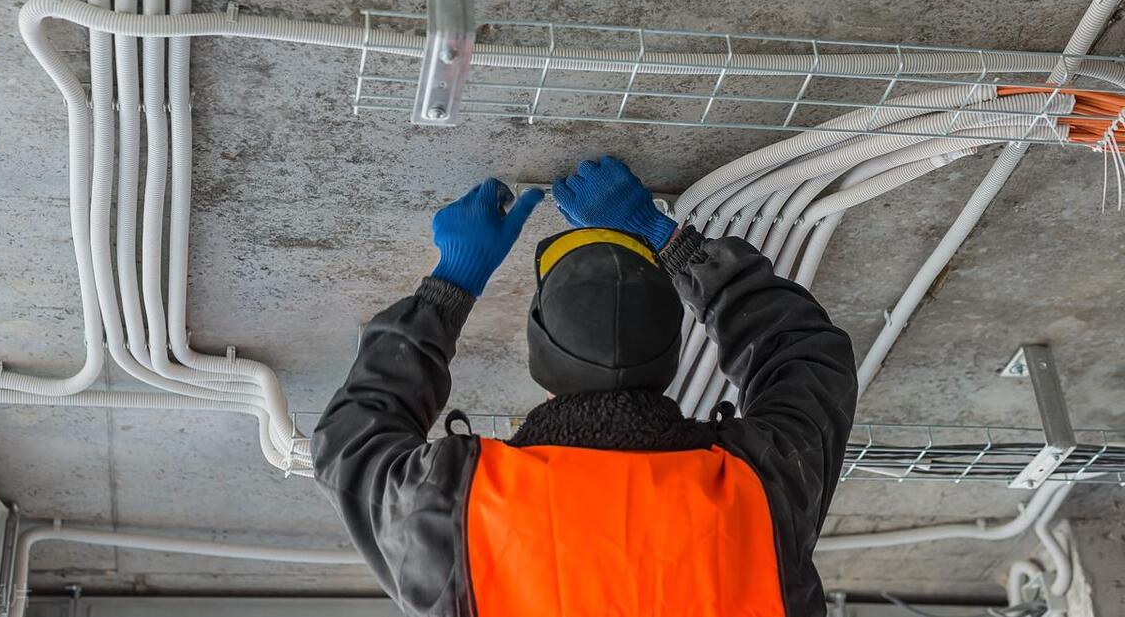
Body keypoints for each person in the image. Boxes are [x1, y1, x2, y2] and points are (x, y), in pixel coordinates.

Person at [313, 156, 857, 617]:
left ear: (538, 355)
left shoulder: (460, 503)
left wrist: (454, 280)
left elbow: (350, 445)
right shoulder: (755, 489)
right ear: (673, 355)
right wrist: (667, 240)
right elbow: (350, 446)